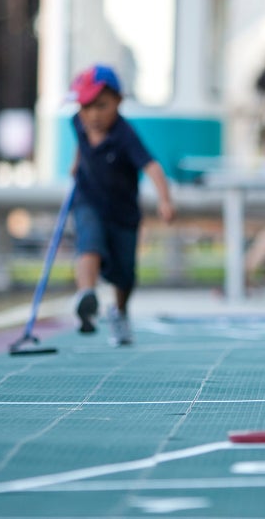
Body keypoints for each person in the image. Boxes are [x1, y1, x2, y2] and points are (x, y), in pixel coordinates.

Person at [68, 64, 175, 346]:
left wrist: (164, 199)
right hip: (89, 201)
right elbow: (81, 143)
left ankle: (120, 311)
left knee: (124, 274)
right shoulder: (78, 122)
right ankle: (86, 295)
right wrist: (76, 164)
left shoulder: (124, 135)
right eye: (85, 107)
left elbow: (152, 167)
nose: (93, 115)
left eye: (101, 106)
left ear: (118, 101)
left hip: (123, 214)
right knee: (88, 243)